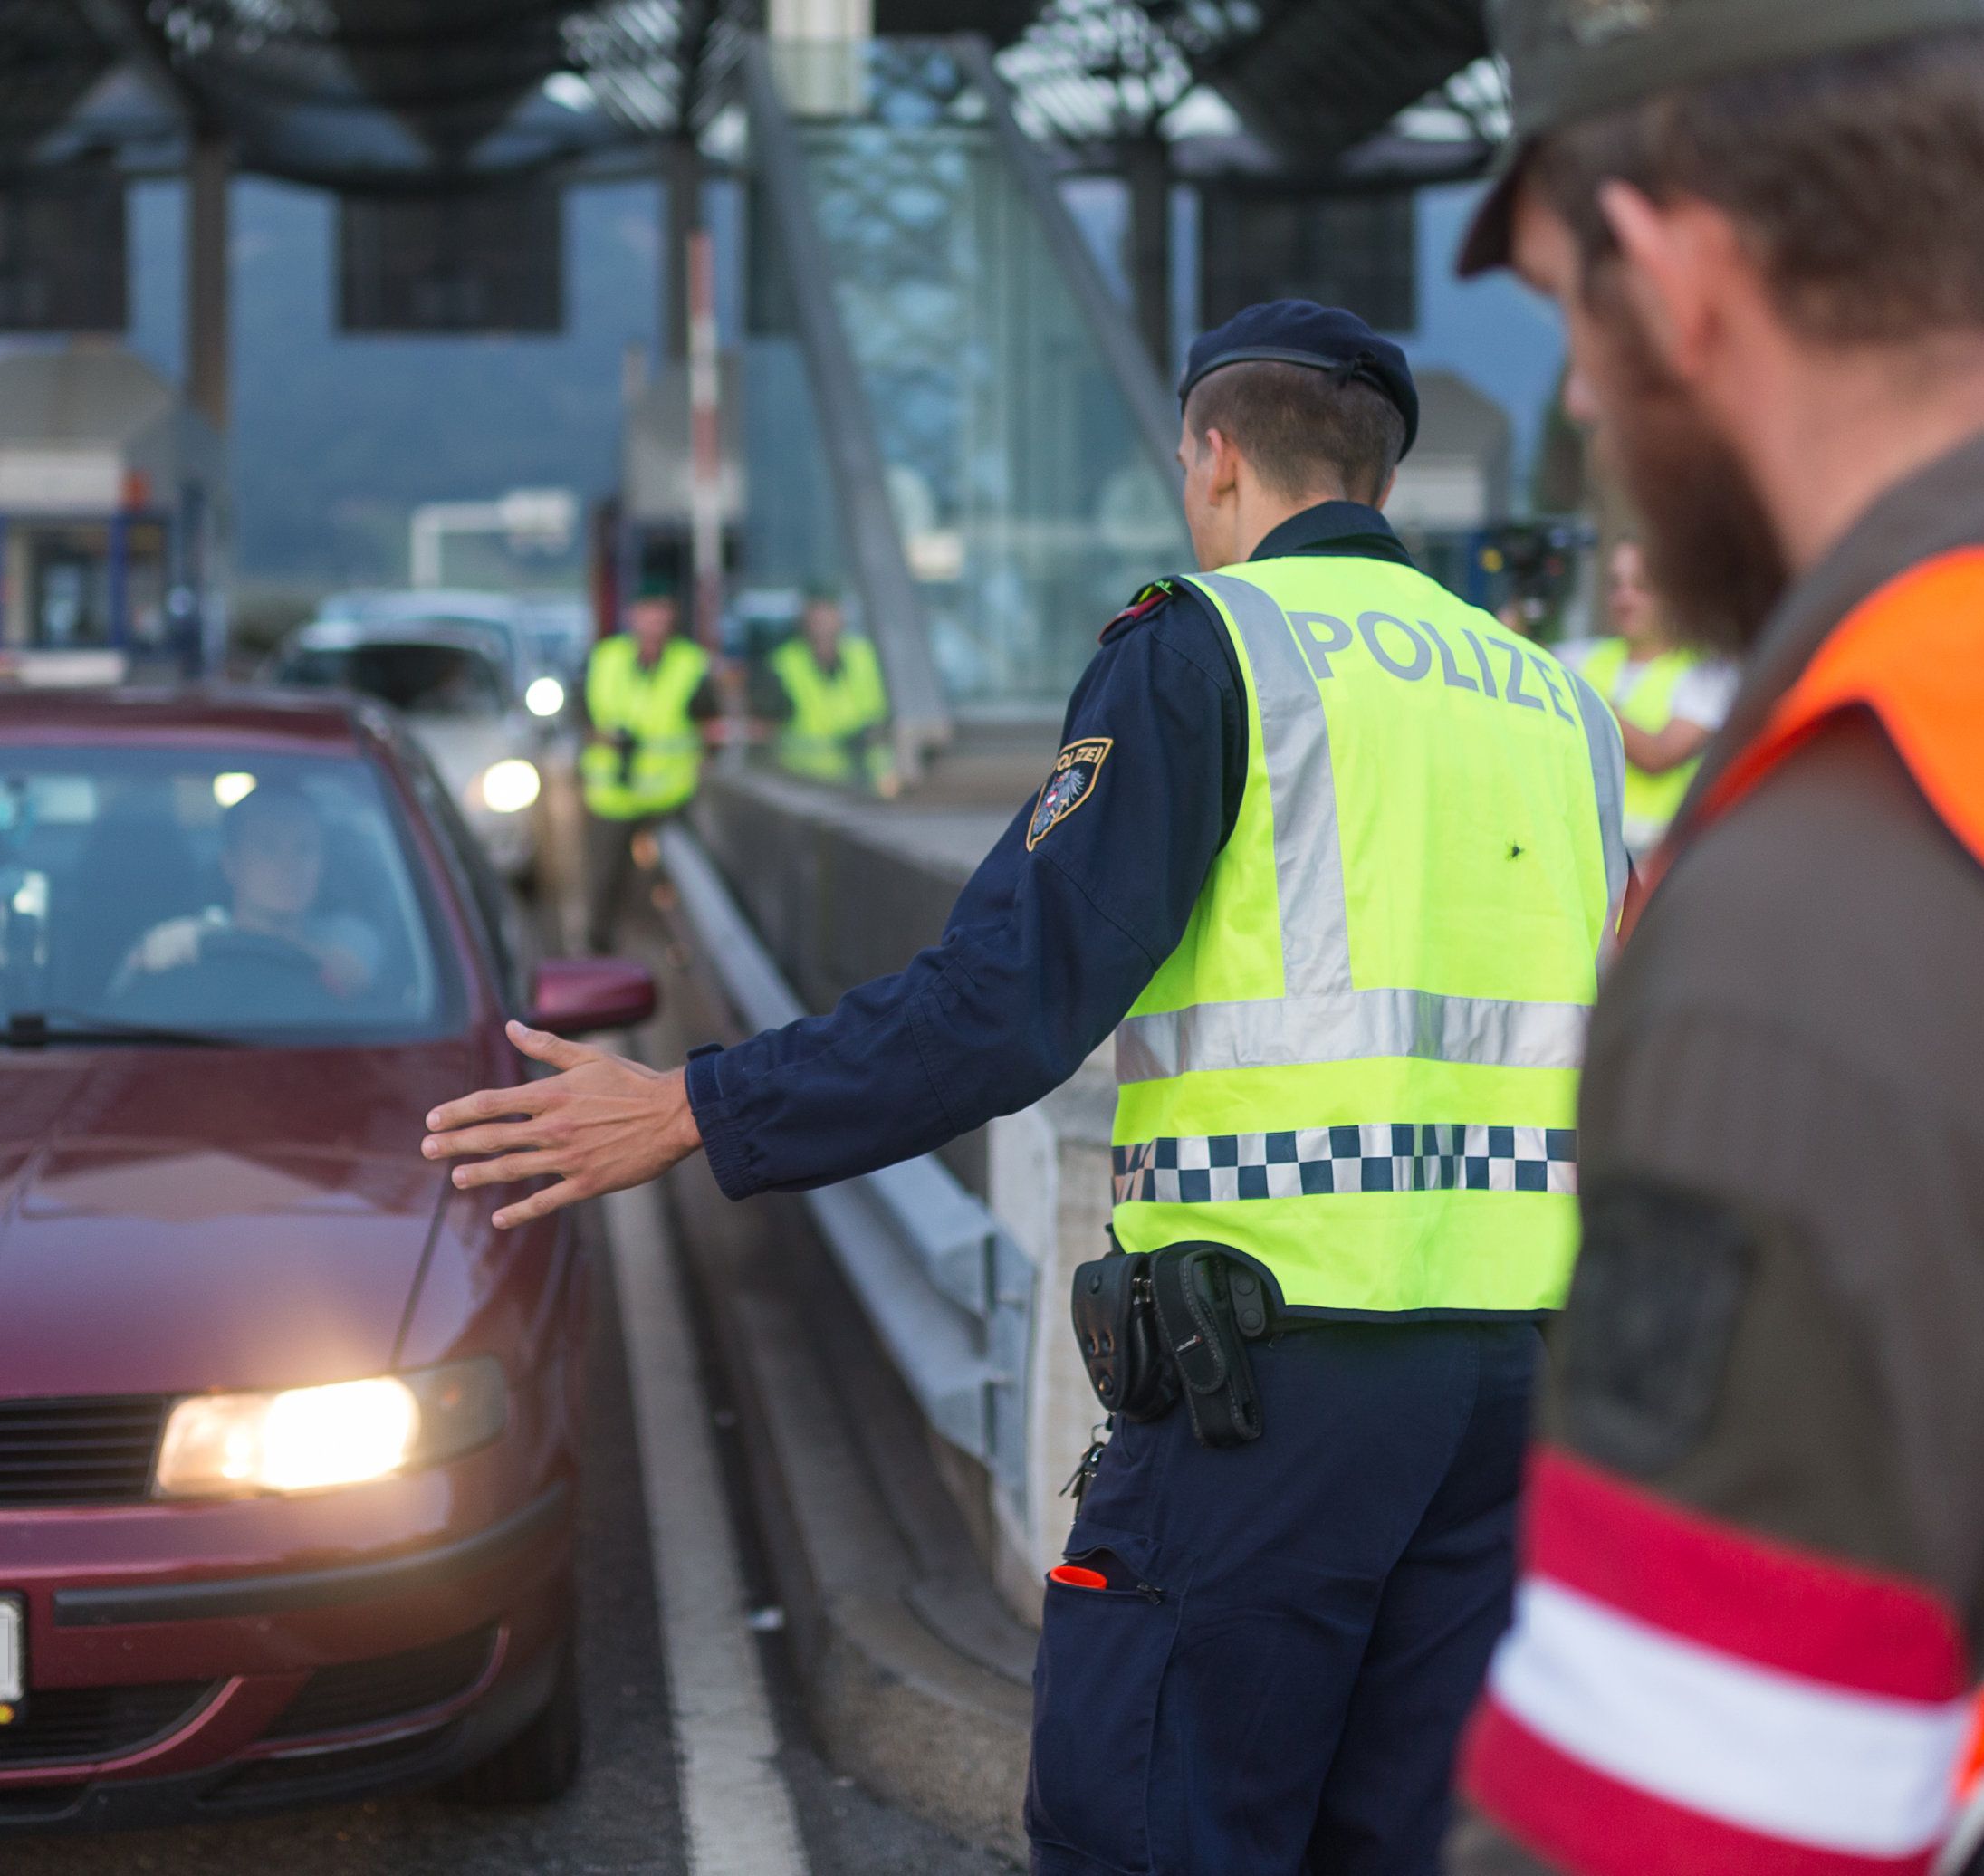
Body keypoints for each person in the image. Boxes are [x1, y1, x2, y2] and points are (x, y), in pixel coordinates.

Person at [426, 302, 1625, 1876]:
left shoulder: (1209, 650)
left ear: (1212, 459)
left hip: (1273, 1382)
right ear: (1383, 473)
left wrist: (701, 1106)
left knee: (1153, 1828)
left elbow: (1008, 1001)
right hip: (1509, 1397)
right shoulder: (1558, 706)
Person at [1444, 5, 1984, 1872]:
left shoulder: (1837, 902)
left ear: (1673, 267)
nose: (1580, 399)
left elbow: (1674, 1832)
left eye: (1575, 313)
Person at [120, 780, 379, 1000]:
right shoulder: (182, 939)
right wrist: (158, 948)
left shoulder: (350, 935)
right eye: (268, 848)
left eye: (305, 849)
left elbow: (357, 981)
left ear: (323, 862)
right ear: (231, 865)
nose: (289, 866)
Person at [578, 580, 716, 951]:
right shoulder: (605, 659)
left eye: (661, 613)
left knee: (670, 882)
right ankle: (598, 949)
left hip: (669, 795)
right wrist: (604, 738)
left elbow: (710, 724)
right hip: (613, 793)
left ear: (672, 617)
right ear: (631, 616)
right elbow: (580, 716)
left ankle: (673, 949)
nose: (653, 622)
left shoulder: (691, 664)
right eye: (647, 613)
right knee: (604, 879)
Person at [1565, 542, 1728, 854]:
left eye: (1642, 586)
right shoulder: (1583, 657)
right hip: (1587, 856)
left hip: (1657, 861)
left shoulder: (1707, 674)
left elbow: (1659, 756)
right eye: (1615, 585)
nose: (1624, 597)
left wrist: (1584, 697)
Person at [768, 588, 893, 794]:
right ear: (803, 622)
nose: (821, 625)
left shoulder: (866, 657)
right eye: (815, 618)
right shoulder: (782, 665)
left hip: (868, 782)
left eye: (827, 615)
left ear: (840, 618)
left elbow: (890, 715)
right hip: (805, 783)